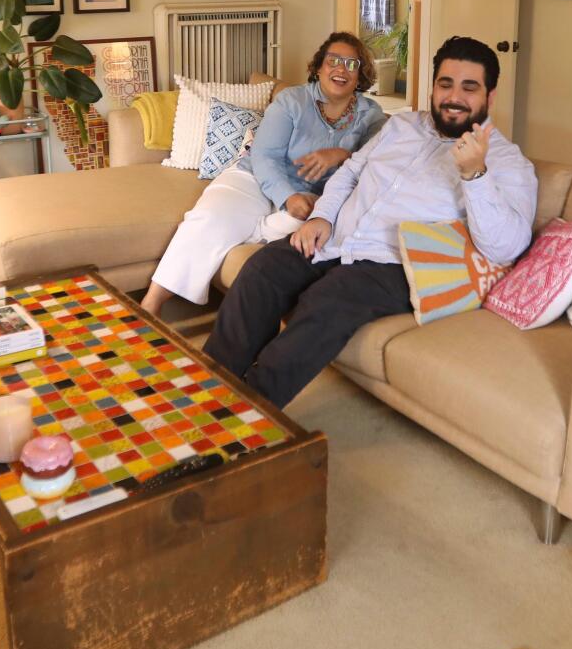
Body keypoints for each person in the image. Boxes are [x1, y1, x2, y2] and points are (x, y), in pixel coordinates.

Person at [205, 36, 536, 408]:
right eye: (445, 84)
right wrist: (322, 216)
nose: (454, 96)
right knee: (262, 270)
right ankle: (208, 390)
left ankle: (247, 414)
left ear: (490, 96)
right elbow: (350, 172)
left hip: (394, 263)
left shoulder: (508, 163)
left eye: (469, 87)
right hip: (337, 238)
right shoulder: (401, 126)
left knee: (327, 301)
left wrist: (475, 175)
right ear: (433, 88)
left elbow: (506, 247)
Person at [142, 34, 385, 316]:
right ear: (319, 67)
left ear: (360, 74)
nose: (341, 69)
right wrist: (287, 196)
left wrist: (341, 154)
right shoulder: (292, 100)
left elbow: (376, 164)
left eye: (351, 64)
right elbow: (265, 155)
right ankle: (151, 304)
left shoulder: (372, 115)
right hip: (255, 178)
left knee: (320, 226)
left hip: (313, 196)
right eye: (333, 61)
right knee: (209, 217)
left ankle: (250, 229)